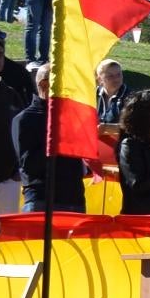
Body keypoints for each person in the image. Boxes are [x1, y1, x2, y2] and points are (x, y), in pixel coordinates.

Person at [14, 64, 92, 211]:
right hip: (42, 200)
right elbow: (29, 166)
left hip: (74, 199)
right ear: (44, 84)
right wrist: (57, 138)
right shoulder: (25, 119)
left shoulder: (73, 116)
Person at [0, 27, 32, 213]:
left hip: (8, 184)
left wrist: (17, 171)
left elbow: (23, 134)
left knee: (6, 241)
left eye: (0, 54)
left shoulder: (11, 94)